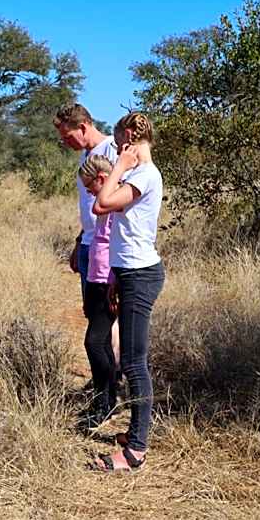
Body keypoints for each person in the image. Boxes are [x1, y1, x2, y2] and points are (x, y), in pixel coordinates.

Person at [92, 112, 164, 472]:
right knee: (132, 361)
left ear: (131, 137)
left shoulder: (144, 174)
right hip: (129, 272)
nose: (117, 145)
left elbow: (101, 205)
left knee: (135, 363)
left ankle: (136, 450)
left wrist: (120, 165)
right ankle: (135, 433)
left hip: (141, 274)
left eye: (120, 139)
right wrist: (114, 276)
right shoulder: (140, 175)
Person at [53, 103, 118, 302]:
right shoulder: (84, 156)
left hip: (108, 247)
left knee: (106, 311)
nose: (66, 143)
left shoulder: (113, 149)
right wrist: (79, 242)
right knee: (91, 310)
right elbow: (89, 205)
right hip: (88, 243)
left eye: (68, 137)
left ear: (82, 127)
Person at [78, 155, 122, 429]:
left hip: (107, 282)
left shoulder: (115, 202)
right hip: (95, 278)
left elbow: (119, 244)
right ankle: (108, 401)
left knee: (93, 343)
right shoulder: (106, 203)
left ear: (102, 179)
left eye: (90, 186)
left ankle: (103, 401)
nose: (89, 192)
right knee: (102, 342)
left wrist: (114, 285)